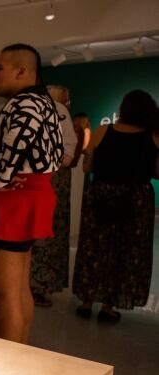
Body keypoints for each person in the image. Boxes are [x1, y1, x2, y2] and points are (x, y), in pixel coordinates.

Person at [0, 44, 63, 343]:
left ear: (22, 71)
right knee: (18, 292)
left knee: (5, 295)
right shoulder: (44, 103)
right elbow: (57, 153)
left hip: (6, 206)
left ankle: (11, 367)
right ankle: (20, 356)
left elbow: (17, 143)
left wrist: (1, 179)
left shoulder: (25, 104)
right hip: (23, 201)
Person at [72, 90, 159, 322]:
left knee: (94, 248)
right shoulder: (153, 136)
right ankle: (109, 306)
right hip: (136, 201)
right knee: (125, 252)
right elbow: (157, 172)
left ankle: (86, 301)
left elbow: (87, 167)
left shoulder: (103, 131)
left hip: (101, 196)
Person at [29, 86, 78, 307]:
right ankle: (39, 286)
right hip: (52, 181)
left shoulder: (31, 108)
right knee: (48, 233)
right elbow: (68, 154)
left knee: (37, 232)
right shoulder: (58, 111)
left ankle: (31, 284)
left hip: (35, 180)